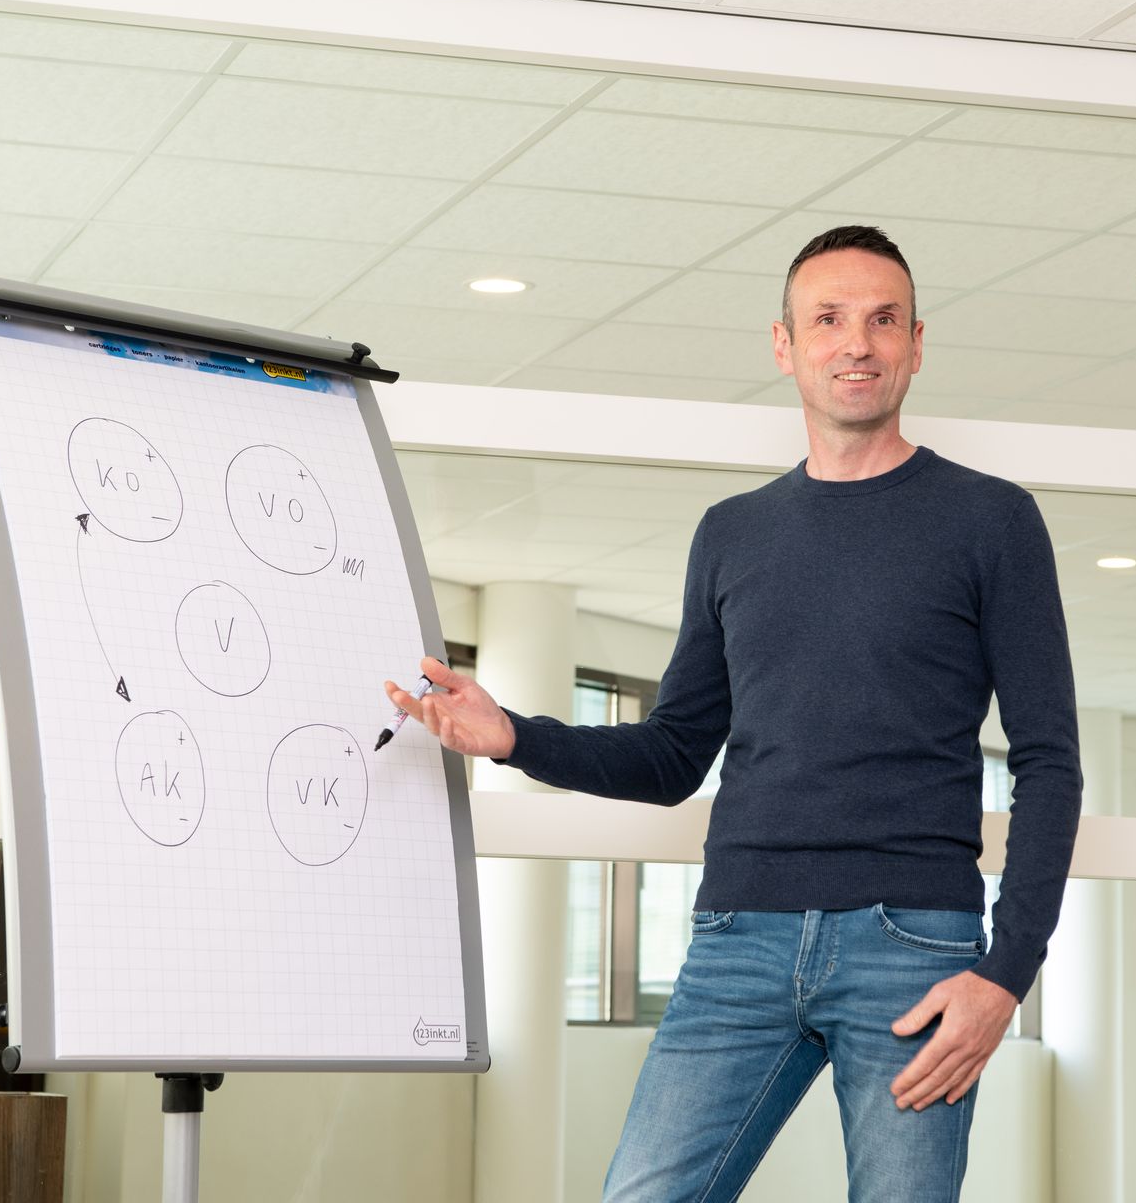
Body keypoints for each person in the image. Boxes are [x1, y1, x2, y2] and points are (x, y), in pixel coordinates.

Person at [386, 224, 1082, 1201]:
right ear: (784, 345)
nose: (858, 343)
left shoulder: (989, 519)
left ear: (917, 345)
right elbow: (675, 752)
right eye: (829, 319)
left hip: (913, 947)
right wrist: (513, 735)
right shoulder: (732, 534)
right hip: (737, 939)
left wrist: (1006, 974)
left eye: (883, 321)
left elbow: (1051, 759)